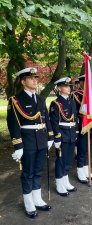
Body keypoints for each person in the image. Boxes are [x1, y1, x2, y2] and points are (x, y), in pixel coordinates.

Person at [7, 67, 54, 218]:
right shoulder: (16, 100)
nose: (35, 80)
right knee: (27, 173)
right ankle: (29, 203)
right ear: (23, 81)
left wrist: (50, 137)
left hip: (41, 139)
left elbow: (46, 119)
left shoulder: (40, 99)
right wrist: (18, 145)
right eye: (31, 78)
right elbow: (13, 124)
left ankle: (37, 199)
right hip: (27, 141)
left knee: (38, 171)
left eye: (36, 78)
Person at [49, 77, 78, 197]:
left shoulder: (71, 102)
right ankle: (59, 183)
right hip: (62, 134)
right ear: (60, 88)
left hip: (71, 133)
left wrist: (75, 132)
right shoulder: (55, 103)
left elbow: (75, 118)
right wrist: (57, 137)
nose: (68, 88)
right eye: (65, 86)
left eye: (69, 86)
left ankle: (65, 181)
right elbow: (54, 122)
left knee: (68, 159)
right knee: (60, 160)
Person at [71, 74, 92, 184]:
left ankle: (87, 171)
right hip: (83, 125)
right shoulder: (76, 95)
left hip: (91, 125)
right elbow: (76, 112)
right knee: (82, 150)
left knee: (89, 149)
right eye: (85, 82)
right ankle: (80, 172)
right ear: (81, 83)